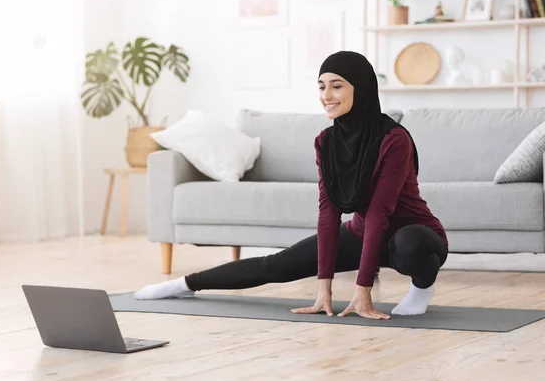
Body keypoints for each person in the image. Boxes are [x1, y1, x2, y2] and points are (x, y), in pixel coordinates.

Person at [134, 51, 448, 320]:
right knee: (277, 265)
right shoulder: (326, 141)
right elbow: (329, 213)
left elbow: (381, 211)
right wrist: (322, 287)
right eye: (322, 86)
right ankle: (183, 285)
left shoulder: (394, 138)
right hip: (361, 232)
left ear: (361, 89)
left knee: (408, 247)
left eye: (337, 86)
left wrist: (362, 291)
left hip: (416, 235)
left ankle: (422, 288)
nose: (327, 95)